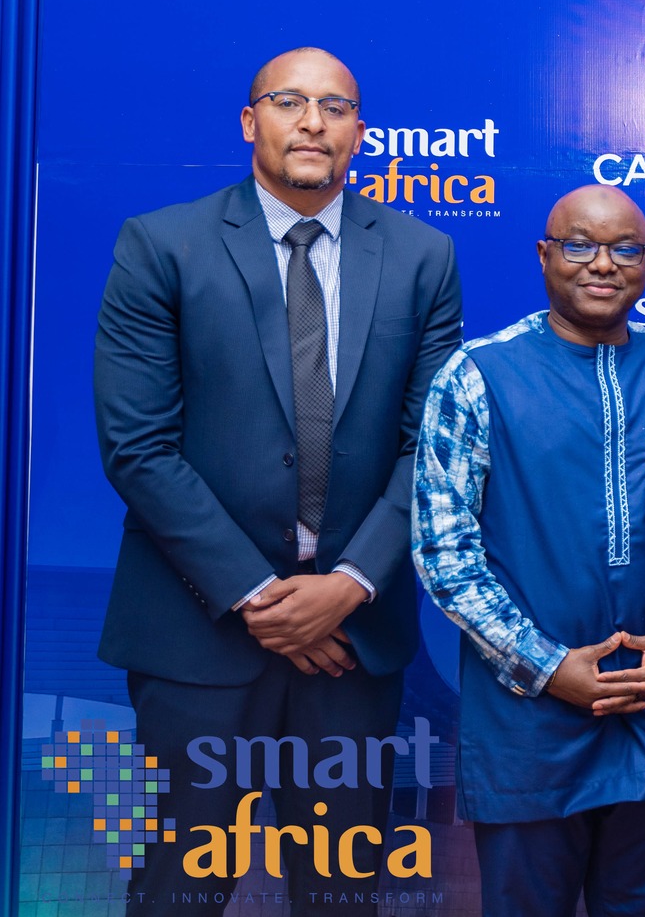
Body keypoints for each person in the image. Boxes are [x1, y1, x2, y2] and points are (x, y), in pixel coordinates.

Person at [92, 47, 462, 914]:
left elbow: (434, 447)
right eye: (290, 102)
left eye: (336, 108)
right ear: (250, 121)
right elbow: (138, 446)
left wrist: (349, 584)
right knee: (183, 889)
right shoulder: (163, 244)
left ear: (360, 133)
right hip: (196, 636)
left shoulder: (422, 256)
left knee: (342, 891)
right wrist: (263, 597)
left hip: (351, 646)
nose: (313, 122)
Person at [412, 185, 645, 915]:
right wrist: (550, 668)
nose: (602, 265)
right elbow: (445, 555)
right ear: (545, 255)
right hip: (529, 730)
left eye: (624, 250)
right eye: (579, 245)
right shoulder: (478, 376)